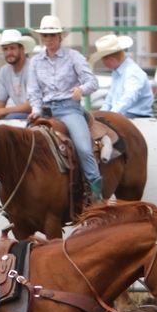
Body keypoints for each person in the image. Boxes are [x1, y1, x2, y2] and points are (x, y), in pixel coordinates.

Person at [26, 15, 102, 202]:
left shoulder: (73, 57)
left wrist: (81, 90)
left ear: (60, 37)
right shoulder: (35, 62)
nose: (48, 39)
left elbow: (92, 81)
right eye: (45, 35)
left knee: (84, 148)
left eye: (52, 35)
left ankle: (95, 192)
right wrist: (35, 109)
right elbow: (33, 91)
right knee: (24, 146)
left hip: (69, 109)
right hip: (45, 111)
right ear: (41, 38)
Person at [0, 28, 36, 121]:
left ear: (22, 49)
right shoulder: (4, 71)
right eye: (5, 49)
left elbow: (32, 105)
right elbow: (1, 101)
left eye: (12, 48)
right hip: (19, 113)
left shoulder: (32, 68)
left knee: (10, 118)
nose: (9, 53)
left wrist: (0, 111)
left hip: (35, 114)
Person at [90, 33, 153, 118]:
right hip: (125, 116)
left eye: (103, 60)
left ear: (111, 60)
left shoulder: (132, 72)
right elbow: (110, 98)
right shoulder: (118, 72)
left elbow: (129, 97)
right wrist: (102, 114)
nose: (103, 63)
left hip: (137, 117)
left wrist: (110, 114)